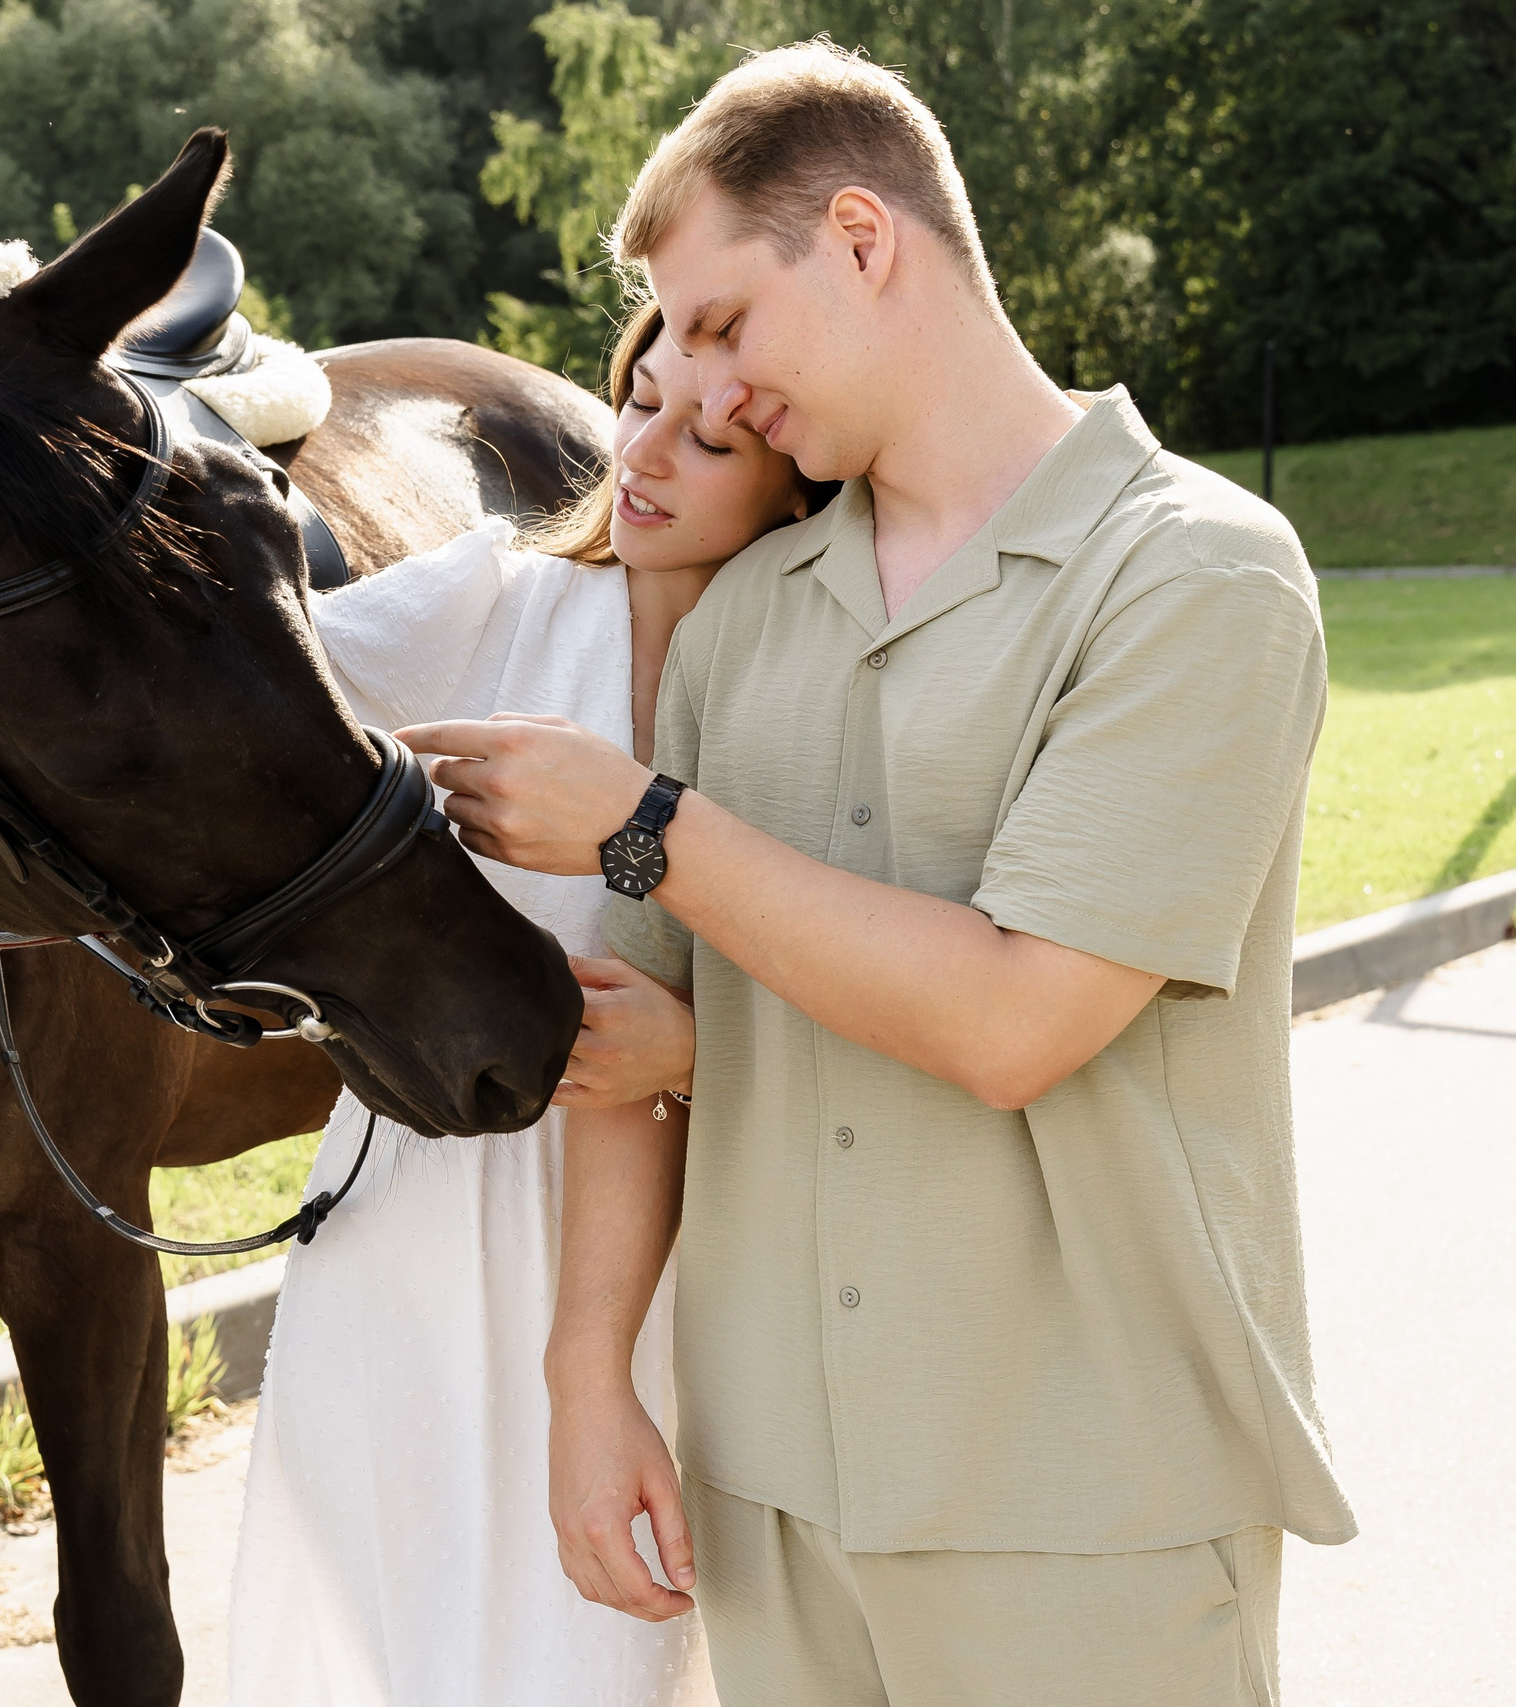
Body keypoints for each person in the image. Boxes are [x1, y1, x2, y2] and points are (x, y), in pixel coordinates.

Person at [401, 41, 1353, 1707]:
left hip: (1089, 1496)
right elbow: (630, 1047)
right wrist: (587, 1384)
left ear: (861, 235)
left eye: (720, 324)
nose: (698, 390)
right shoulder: (746, 616)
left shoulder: (1197, 577)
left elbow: (1016, 1019)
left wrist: (646, 827)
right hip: (772, 1499)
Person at [224, 299, 826, 1707]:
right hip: (419, 1235)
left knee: (610, 1659)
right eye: (641, 403)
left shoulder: (815, 690)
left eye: (712, 436)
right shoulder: (489, 604)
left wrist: (704, 1049)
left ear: (797, 474)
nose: (649, 454)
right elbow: (227, 692)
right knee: (392, 1647)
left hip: (686, 1259)